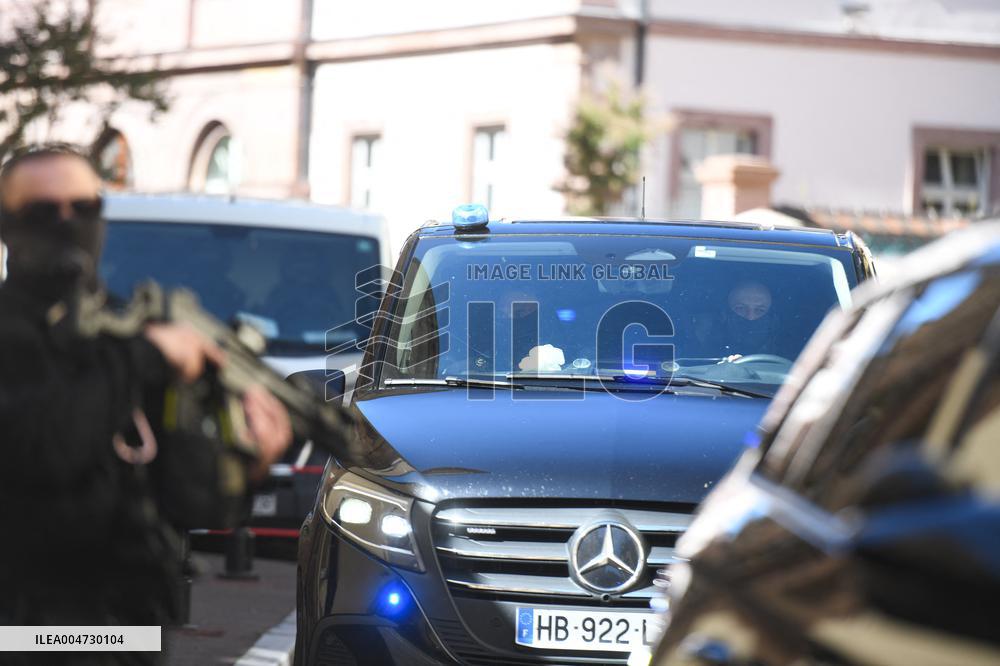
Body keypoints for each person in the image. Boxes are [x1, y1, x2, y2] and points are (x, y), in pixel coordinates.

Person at [0, 145, 292, 662]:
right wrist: (147, 354)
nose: (67, 224)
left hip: (128, 631)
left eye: (83, 208)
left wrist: (249, 465)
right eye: (44, 211)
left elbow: (184, 502)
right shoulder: (123, 347)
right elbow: (44, 444)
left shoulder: (118, 332)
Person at [720, 280, 778, 358]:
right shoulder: (708, 344)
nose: (750, 317)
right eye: (740, 308)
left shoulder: (791, 351)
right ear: (725, 314)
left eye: (760, 310)